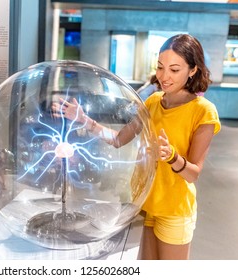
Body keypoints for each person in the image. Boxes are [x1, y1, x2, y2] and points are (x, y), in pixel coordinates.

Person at [52, 34, 221, 260]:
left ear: (193, 70)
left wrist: (172, 157)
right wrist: (85, 120)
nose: (164, 76)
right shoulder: (152, 102)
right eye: (160, 67)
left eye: (174, 69)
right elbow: (119, 139)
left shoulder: (204, 111)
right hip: (148, 204)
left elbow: (193, 174)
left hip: (174, 211)